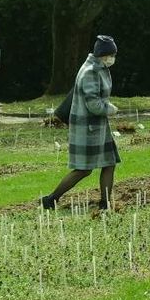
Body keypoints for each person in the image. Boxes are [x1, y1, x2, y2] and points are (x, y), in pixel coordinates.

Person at [41, 36, 121, 211]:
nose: (113, 58)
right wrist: (110, 109)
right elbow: (93, 104)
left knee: (109, 162)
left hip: (97, 126)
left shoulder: (100, 67)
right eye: (112, 54)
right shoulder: (90, 71)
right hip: (88, 128)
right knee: (83, 169)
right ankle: (51, 199)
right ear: (104, 54)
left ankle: (104, 203)